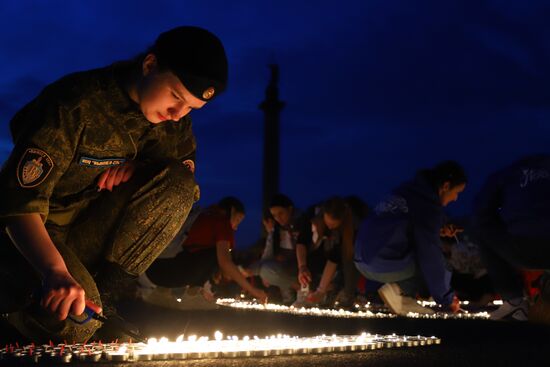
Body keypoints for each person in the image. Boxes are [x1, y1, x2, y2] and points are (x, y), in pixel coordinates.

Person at [0, 26, 228, 342]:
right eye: (176, 96)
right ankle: (15, 309)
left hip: (85, 231)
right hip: (31, 237)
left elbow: (178, 188)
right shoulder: (76, 104)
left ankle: (104, 301)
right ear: (150, 65)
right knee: (76, 325)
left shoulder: (173, 128)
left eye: (190, 107)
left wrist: (141, 168)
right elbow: (16, 203)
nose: (178, 114)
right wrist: (54, 271)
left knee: (179, 185)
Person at [354, 161, 466, 316]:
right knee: (437, 264)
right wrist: (447, 297)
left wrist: (438, 229)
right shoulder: (428, 207)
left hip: (361, 261)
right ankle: (399, 293)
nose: (455, 199)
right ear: (446, 186)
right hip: (382, 262)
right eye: (457, 192)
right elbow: (430, 254)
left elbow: (402, 223)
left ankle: (403, 296)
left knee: (429, 260)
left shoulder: (408, 191)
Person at [145, 197, 268, 306]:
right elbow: (225, 263)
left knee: (200, 251)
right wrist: (254, 291)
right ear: (231, 211)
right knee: (217, 252)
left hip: (152, 270)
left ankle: (161, 292)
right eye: (238, 219)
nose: (236, 227)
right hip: (172, 271)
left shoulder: (200, 214)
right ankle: (193, 295)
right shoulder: (221, 220)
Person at [472, 154, 550, 321]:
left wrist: (506, 225)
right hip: (527, 244)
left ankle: (513, 300)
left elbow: (481, 210)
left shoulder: (508, 173)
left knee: (482, 228)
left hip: (521, 247)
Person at [302, 197, 365, 308]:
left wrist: (321, 291)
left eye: (333, 225)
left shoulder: (352, 230)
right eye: (328, 223)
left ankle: (347, 295)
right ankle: (331, 291)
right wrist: (319, 290)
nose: (329, 227)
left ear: (341, 221)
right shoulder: (316, 221)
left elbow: (335, 258)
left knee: (349, 259)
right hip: (325, 263)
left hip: (351, 262)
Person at [253, 194, 311, 304]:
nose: (278, 218)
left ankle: (304, 293)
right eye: (274, 215)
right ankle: (289, 298)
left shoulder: (303, 222)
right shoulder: (278, 228)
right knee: (265, 270)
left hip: (304, 266)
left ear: (290, 209)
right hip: (286, 268)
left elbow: (303, 245)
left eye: (281, 213)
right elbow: (270, 252)